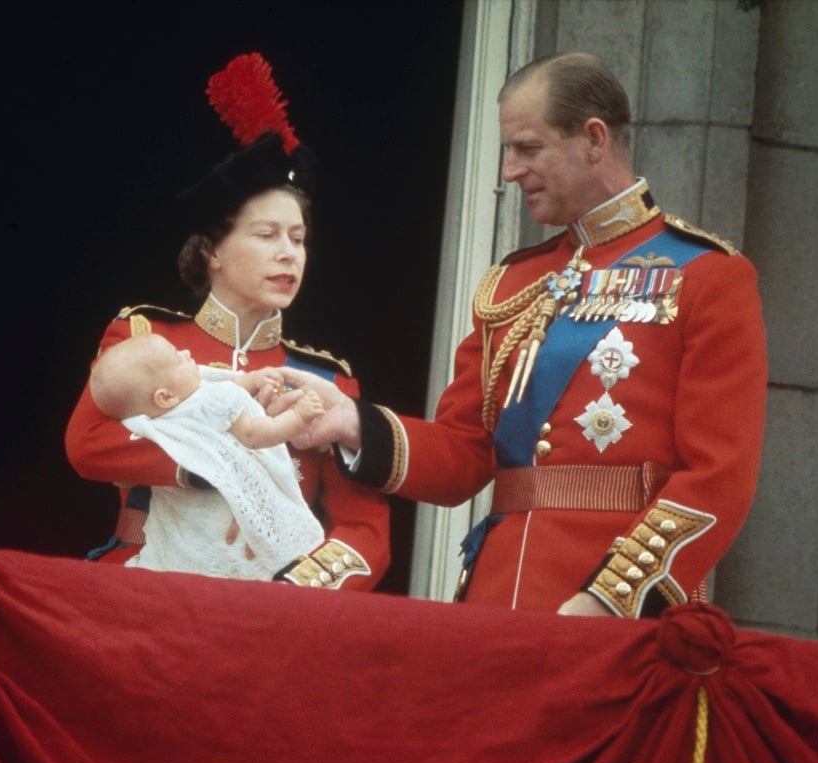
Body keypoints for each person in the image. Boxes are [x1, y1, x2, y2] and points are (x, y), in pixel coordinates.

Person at [283, 52, 767, 617]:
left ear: (593, 139)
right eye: (508, 150)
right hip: (495, 599)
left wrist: (610, 599)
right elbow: (463, 455)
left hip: (618, 610)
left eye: (528, 148)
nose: (509, 170)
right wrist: (348, 421)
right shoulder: (515, 282)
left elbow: (719, 477)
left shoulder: (707, 275)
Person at [66, 52, 390, 591]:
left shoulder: (327, 379)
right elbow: (87, 444)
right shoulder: (146, 337)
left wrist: (297, 591)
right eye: (266, 235)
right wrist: (206, 466)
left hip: (272, 607)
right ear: (212, 251)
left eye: (298, 238)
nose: (289, 254)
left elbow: (364, 528)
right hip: (146, 586)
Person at [87, 332, 327, 581]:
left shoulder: (146, 418)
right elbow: (254, 434)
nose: (187, 353)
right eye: (178, 358)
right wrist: (299, 417)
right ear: (165, 397)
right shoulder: (214, 399)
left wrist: (253, 378)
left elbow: (213, 394)